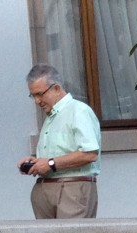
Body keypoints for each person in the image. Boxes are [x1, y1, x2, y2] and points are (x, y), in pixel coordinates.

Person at [19, 64, 101, 219]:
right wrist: (36, 162)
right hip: (45, 187)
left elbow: (89, 154)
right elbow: (60, 153)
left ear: (56, 88)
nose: (37, 101)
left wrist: (50, 164)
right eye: (33, 96)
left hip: (72, 188)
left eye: (40, 94)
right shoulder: (52, 116)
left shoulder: (78, 111)